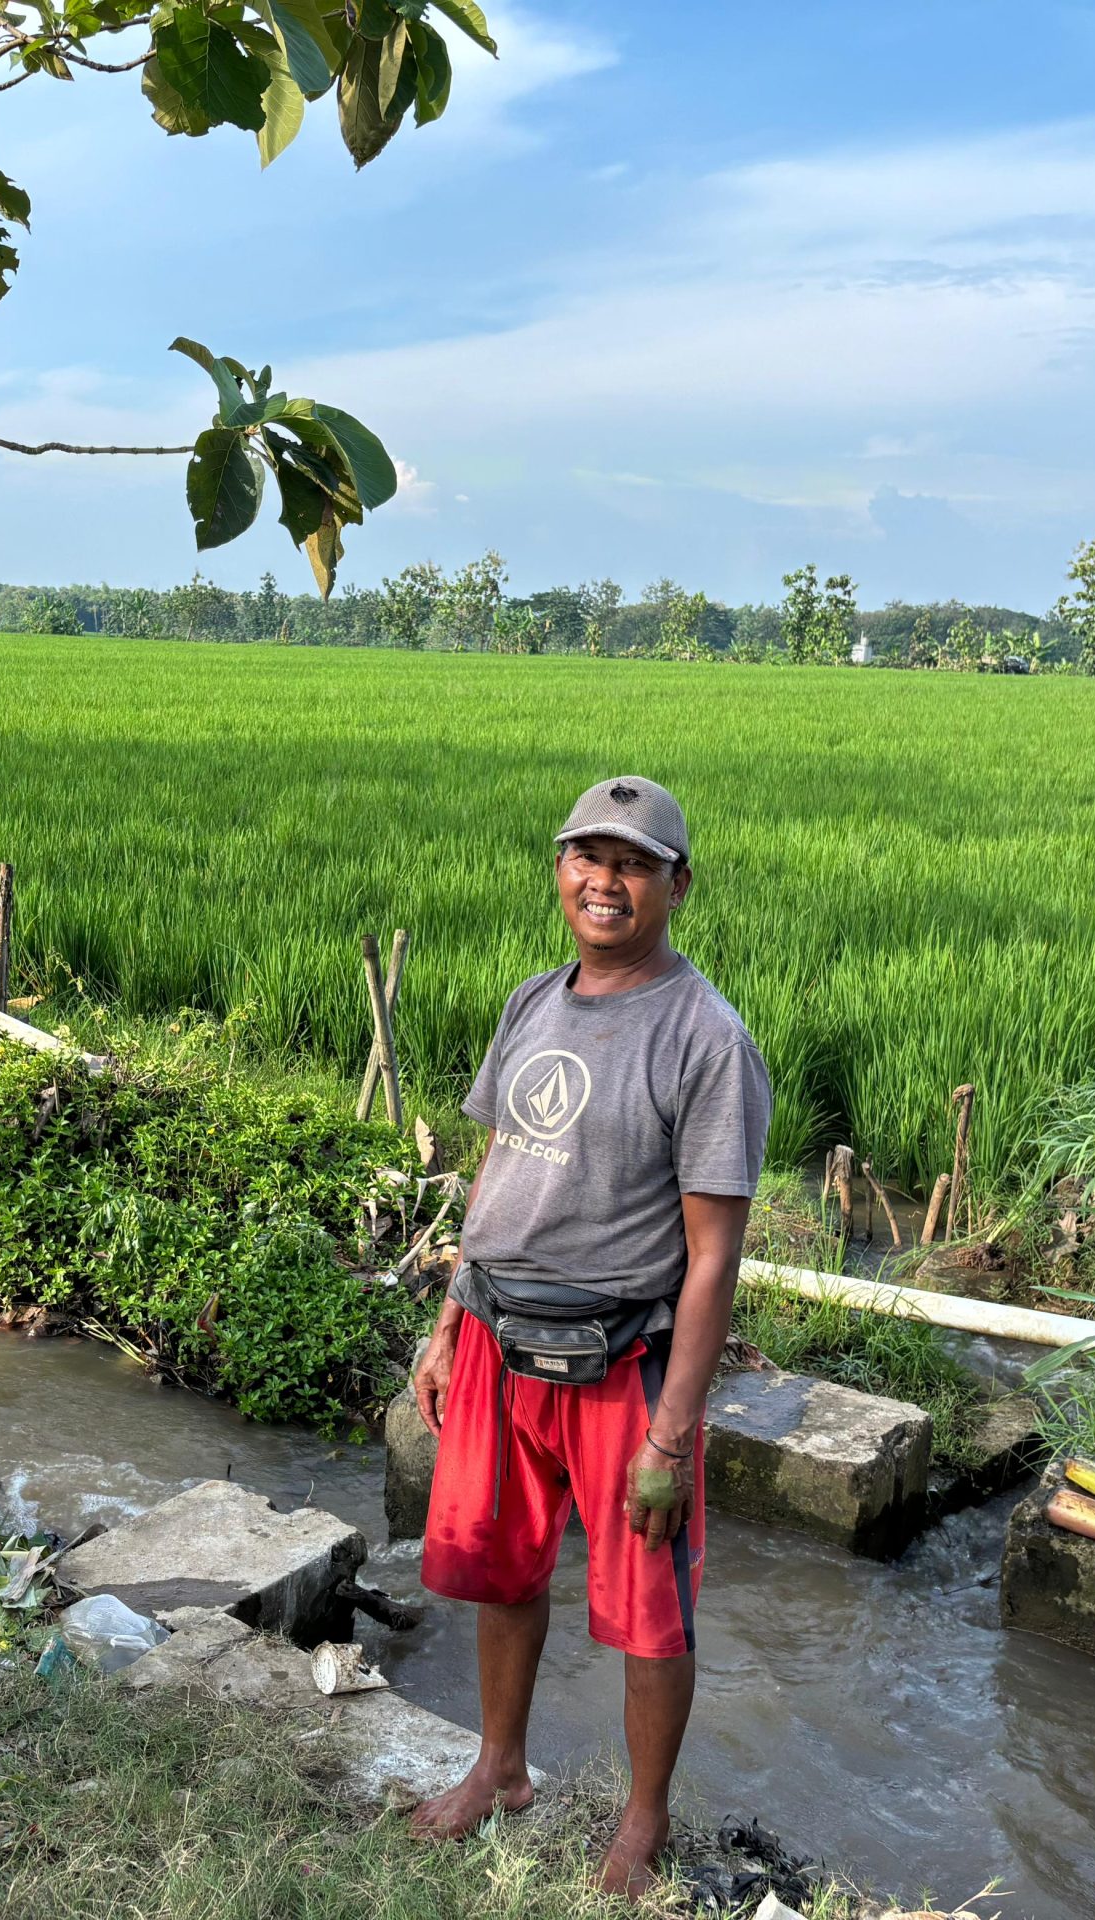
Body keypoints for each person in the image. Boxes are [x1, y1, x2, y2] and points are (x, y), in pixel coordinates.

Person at [408, 775, 770, 1898]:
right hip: (495, 1339)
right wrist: (445, 1317)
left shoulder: (707, 1039)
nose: (602, 881)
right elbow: (499, 1173)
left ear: (676, 885)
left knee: (649, 1614)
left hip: (623, 1363)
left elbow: (712, 1256)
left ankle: (642, 1821)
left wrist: (670, 1437)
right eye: (585, 856)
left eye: (632, 863)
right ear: (560, 868)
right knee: (501, 1571)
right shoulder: (531, 1001)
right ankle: (498, 1768)